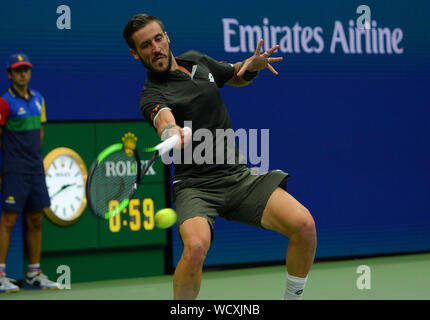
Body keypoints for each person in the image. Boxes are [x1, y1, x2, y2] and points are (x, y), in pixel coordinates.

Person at [123, 14, 317, 300]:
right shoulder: (151, 94)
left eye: (158, 39)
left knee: (304, 225)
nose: (155, 48)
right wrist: (171, 131)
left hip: (237, 177)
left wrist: (252, 67)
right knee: (196, 248)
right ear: (135, 53)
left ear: (167, 37)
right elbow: (162, 120)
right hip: (195, 186)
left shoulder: (196, 60)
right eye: (145, 45)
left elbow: (234, 75)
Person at [0, 53, 59, 293]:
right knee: (9, 221)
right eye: (18, 70)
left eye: (26, 69)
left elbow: (40, 133)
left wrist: (36, 161)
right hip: (14, 169)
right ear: (10, 74)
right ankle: (1, 274)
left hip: (35, 168)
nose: (23, 73)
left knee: (36, 219)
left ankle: (34, 272)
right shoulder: (4, 103)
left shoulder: (39, 99)